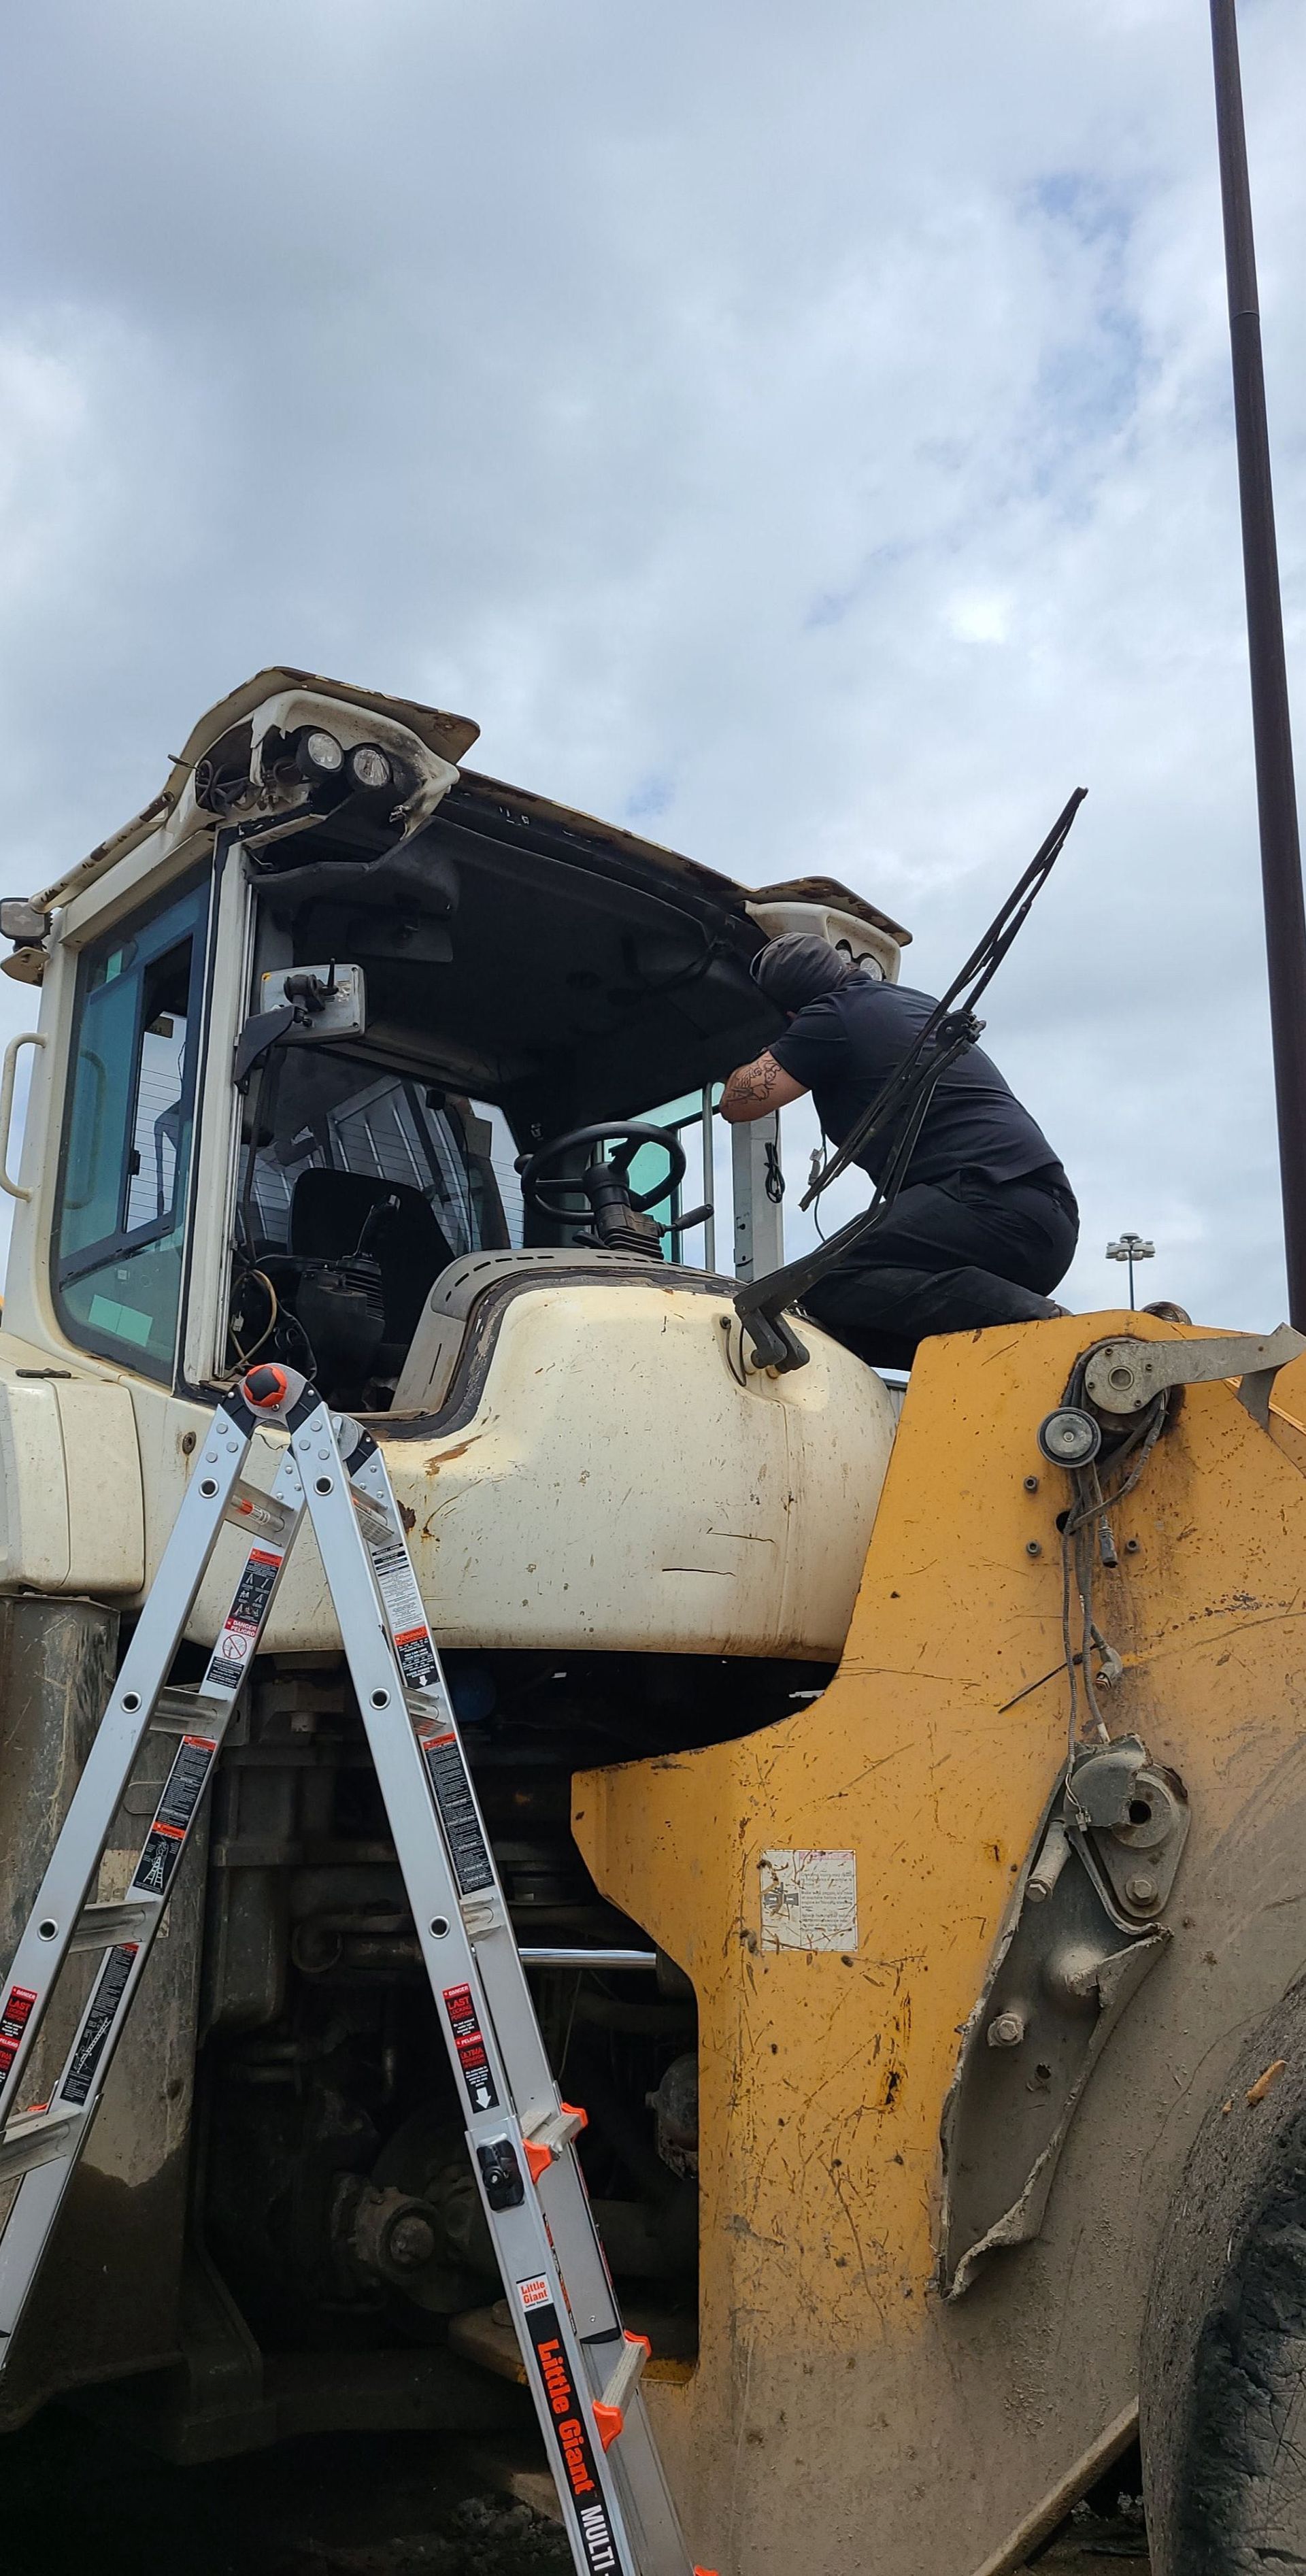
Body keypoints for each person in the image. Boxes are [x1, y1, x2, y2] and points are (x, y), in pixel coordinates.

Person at [720, 933, 1077, 1371]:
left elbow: (738, 1104)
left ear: (793, 1012)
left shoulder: (831, 1017)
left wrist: (773, 1051)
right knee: (851, 1330)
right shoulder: (913, 1003)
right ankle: (1005, 1353)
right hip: (1045, 1221)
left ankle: (1049, 1327)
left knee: (822, 1281)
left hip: (983, 1204)